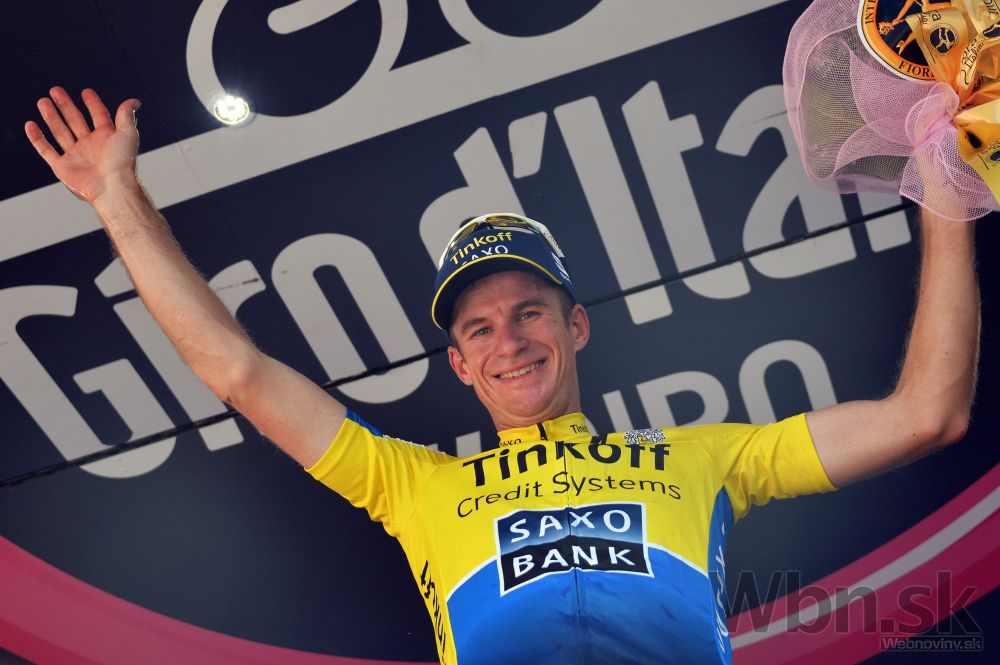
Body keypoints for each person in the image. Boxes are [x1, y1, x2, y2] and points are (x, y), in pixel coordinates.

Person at [25, 88, 980, 665]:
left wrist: (944, 185)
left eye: (528, 310)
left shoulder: (705, 457)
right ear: (460, 365)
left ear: (575, 325)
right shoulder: (412, 484)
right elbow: (235, 369)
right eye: (478, 328)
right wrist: (117, 196)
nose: (508, 340)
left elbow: (926, 414)